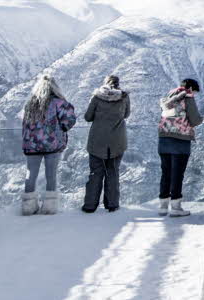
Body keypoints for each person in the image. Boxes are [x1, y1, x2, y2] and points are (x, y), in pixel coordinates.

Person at [19, 72, 76, 215]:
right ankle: (49, 206)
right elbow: (69, 120)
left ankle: (28, 206)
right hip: (52, 144)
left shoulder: (30, 103)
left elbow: (25, 123)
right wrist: (61, 129)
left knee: (31, 174)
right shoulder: (59, 102)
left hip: (31, 144)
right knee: (51, 175)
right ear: (54, 87)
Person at [81, 74, 130, 213]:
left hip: (97, 141)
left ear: (105, 83)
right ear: (118, 84)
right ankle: (112, 205)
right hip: (117, 141)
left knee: (95, 173)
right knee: (113, 172)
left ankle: (90, 206)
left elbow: (87, 117)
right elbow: (126, 114)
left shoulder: (97, 97)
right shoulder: (124, 97)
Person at [157, 78, 204, 216]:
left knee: (166, 172)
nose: (194, 95)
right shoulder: (187, 98)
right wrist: (201, 119)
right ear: (190, 88)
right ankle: (176, 207)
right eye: (194, 92)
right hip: (180, 141)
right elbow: (195, 119)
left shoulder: (169, 96)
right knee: (177, 174)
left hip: (163, 139)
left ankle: (163, 206)